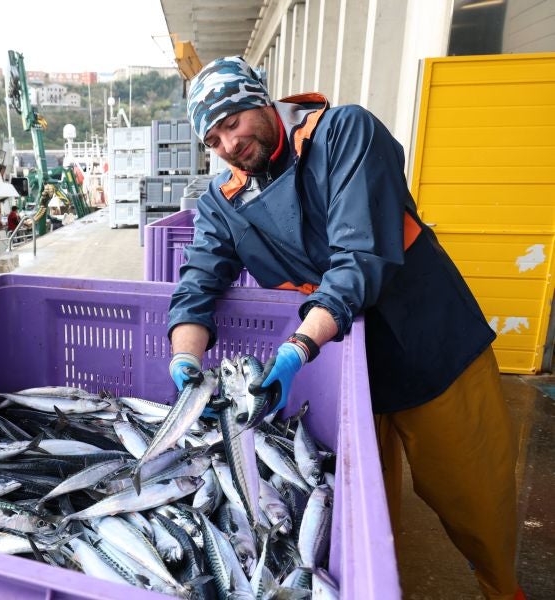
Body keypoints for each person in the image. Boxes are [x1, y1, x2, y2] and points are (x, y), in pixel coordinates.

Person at [167, 56, 521, 600]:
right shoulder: (223, 202)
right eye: (213, 139)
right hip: (345, 371)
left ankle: (502, 588)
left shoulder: (345, 132)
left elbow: (359, 259)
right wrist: (184, 363)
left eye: (233, 121)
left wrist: (296, 350)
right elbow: (196, 286)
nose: (229, 145)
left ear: (261, 98)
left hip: (429, 341)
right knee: (365, 521)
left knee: (475, 493)